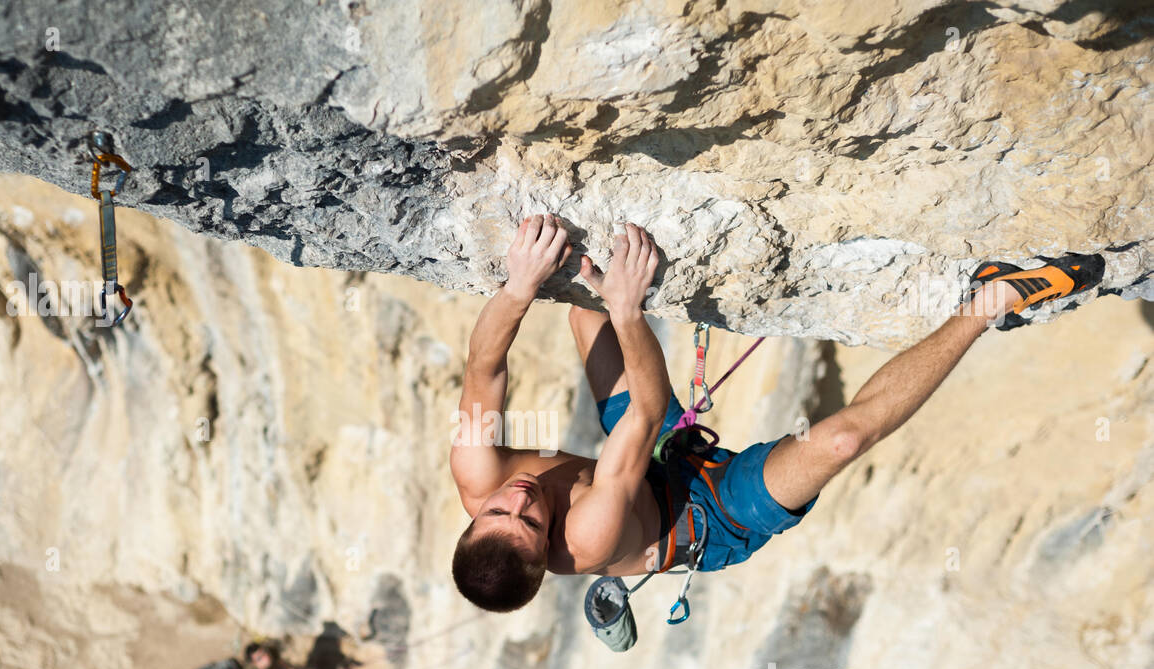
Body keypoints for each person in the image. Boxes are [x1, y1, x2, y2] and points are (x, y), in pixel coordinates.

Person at [449, 212, 1103, 613]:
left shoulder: (479, 474)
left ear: (474, 514)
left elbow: (485, 371)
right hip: (710, 516)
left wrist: (518, 284)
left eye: (499, 510)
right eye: (530, 522)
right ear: (547, 550)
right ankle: (989, 302)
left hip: (651, 463)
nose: (522, 497)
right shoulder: (586, 537)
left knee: (579, 308)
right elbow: (645, 413)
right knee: (843, 439)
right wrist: (630, 308)